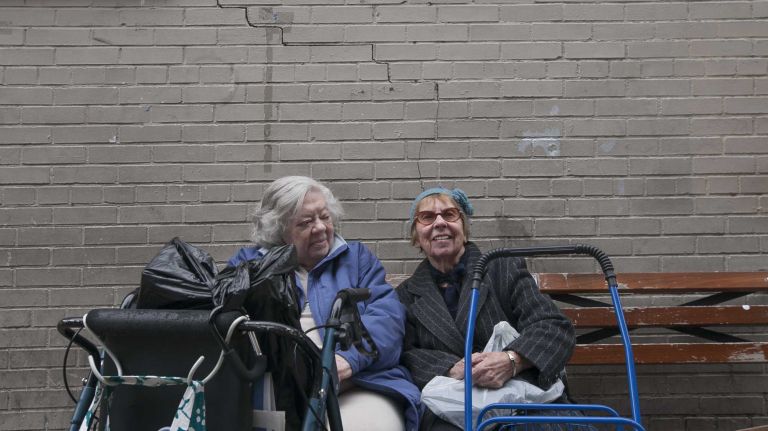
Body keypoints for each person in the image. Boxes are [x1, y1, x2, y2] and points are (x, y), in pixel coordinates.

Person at [227, 176, 421, 431]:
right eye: (306, 222)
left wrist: (346, 362)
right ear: (280, 230)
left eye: (324, 217)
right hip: (277, 391)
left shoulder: (356, 258)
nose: (319, 227)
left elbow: (387, 318)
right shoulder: (250, 266)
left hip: (358, 383)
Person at [396, 187, 577, 430]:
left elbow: (553, 327)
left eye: (450, 214)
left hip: (522, 398)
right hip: (450, 408)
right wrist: (450, 367)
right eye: (427, 217)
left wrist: (512, 360)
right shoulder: (406, 295)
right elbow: (403, 355)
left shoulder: (503, 270)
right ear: (417, 236)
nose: (439, 223)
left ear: (464, 228)